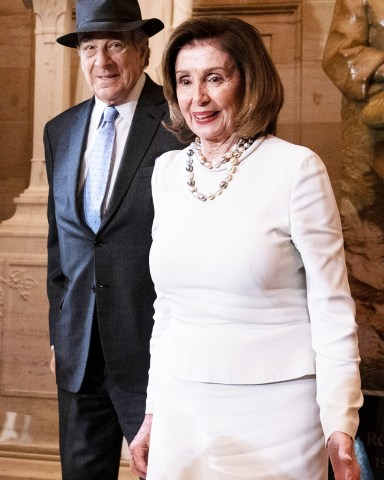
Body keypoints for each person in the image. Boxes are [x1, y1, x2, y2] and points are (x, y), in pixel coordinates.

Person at [129, 16, 364, 480]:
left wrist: (340, 421)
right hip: (182, 406)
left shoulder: (296, 168)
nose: (198, 97)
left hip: (279, 412)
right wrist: (153, 411)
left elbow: (332, 304)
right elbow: (168, 308)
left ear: (248, 82)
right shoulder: (167, 172)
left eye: (215, 78)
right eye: (184, 81)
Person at [43, 0, 183, 478]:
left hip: (156, 354)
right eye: (89, 47)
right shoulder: (59, 131)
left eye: (115, 45)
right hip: (80, 356)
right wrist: (58, 334)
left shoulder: (181, 123)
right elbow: (60, 248)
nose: (101, 61)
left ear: (143, 51)